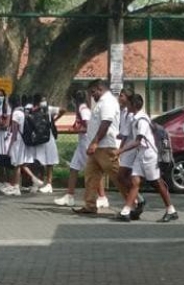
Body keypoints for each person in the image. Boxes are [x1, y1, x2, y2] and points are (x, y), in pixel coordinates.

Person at [114, 94, 177, 222]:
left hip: (149, 154)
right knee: (135, 182)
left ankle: (171, 210)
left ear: (133, 105)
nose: (126, 105)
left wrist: (121, 150)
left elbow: (138, 141)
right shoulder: (135, 118)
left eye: (128, 103)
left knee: (157, 183)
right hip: (140, 154)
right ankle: (126, 211)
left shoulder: (141, 120)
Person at [72, 79, 127, 215]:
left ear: (99, 88)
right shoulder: (101, 102)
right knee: (91, 176)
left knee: (117, 176)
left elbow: (106, 122)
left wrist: (95, 142)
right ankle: (90, 205)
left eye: (93, 92)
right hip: (96, 147)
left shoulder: (107, 102)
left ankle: (134, 202)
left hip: (106, 145)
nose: (92, 96)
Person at [54, 90, 109, 207]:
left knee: (93, 171)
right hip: (82, 144)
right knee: (73, 168)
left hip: (86, 143)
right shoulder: (83, 109)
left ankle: (102, 197)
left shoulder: (83, 110)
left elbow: (88, 127)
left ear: (75, 100)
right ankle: (70, 195)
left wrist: (78, 130)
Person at [4, 94, 44, 196]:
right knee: (22, 163)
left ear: (10, 103)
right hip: (24, 140)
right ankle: (35, 180)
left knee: (17, 165)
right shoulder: (23, 111)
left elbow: (14, 132)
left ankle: (16, 188)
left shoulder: (16, 113)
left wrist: (9, 147)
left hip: (18, 141)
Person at [28, 94, 64, 194]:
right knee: (36, 161)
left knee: (50, 160)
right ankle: (36, 182)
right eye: (42, 100)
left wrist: (54, 120)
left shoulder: (48, 109)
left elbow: (62, 110)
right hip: (37, 138)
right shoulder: (31, 109)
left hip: (48, 137)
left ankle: (49, 183)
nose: (44, 102)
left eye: (45, 100)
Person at [115, 88, 139, 210]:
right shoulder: (123, 112)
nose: (119, 98)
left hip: (130, 149)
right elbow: (124, 132)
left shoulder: (130, 115)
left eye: (122, 96)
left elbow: (126, 135)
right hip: (127, 148)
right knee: (126, 177)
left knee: (121, 176)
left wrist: (120, 150)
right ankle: (134, 201)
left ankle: (137, 198)